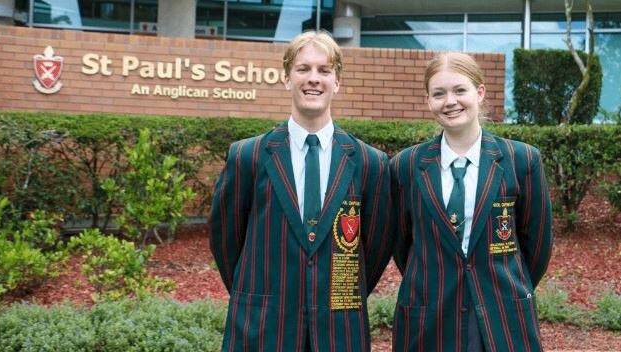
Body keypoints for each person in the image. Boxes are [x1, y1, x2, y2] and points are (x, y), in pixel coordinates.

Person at [209, 30, 393, 351]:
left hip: (338, 331)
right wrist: (256, 291)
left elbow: (375, 249)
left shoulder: (369, 162)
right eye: (303, 69)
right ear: (286, 78)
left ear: (337, 82)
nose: (313, 79)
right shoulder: (248, 156)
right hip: (263, 328)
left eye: (324, 70)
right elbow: (226, 242)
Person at [390, 52, 553, 351]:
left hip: (501, 316)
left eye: (459, 90)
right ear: (428, 101)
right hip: (429, 318)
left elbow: (537, 246)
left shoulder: (521, 160)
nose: (450, 101)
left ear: (479, 92)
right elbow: (403, 244)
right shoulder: (406, 166)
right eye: (439, 93)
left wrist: (501, 282)